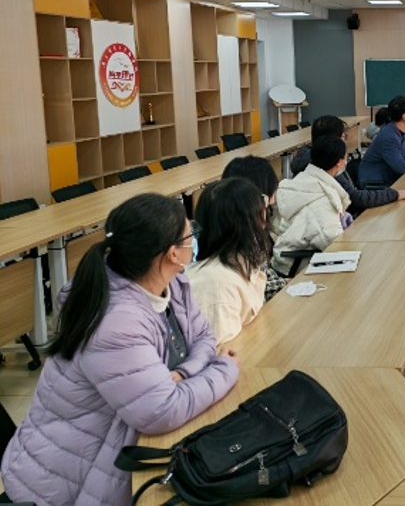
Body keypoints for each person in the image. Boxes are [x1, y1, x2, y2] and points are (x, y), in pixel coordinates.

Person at [0, 194, 239, 506]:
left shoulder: (173, 283)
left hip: (109, 452)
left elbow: (204, 338)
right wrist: (224, 369)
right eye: (189, 234)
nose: (194, 239)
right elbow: (161, 411)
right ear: (172, 253)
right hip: (61, 485)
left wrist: (182, 373)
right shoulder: (116, 321)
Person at [187, 178, 274, 346]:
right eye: (261, 206)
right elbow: (222, 352)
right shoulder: (216, 283)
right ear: (248, 222)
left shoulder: (240, 262)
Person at [296, 114, 405, 217]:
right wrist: (394, 194)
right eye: (343, 137)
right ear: (332, 141)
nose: (345, 142)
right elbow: (356, 199)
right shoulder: (325, 164)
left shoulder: (318, 159)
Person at [273, 134, 352, 273]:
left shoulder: (302, 181)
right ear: (339, 163)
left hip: (284, 259)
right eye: (346, 158)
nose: (346, 162)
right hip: (296, 266)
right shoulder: (322, 198)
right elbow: (334, 245)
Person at [221, 155, 287, 300]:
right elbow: (263, 287)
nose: (273, 200)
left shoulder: (239, 228)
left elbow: (266, 279)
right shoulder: (243, 239)